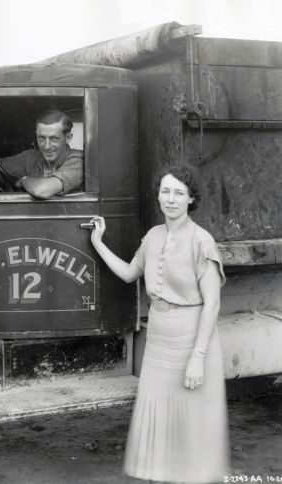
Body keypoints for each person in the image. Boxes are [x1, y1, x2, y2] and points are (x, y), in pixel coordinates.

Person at [89, 164, 229, 483]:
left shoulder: (201, 242)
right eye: (165, 191)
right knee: (159, 426)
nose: (171, 199)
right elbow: (128, 273)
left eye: (179, 193)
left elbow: (213, 304)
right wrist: (98, 241)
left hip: (191, 340)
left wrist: (198, 357)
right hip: (159, 342)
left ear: (192, 199)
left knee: (189, 429)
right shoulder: (153, 236)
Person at [0, 109, 83, 198]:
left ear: (68, 138)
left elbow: (42, 190)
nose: (46, 146)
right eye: (41, 138)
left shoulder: (78, 161)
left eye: (54, 139)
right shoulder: (32, 156)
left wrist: (25, 180)